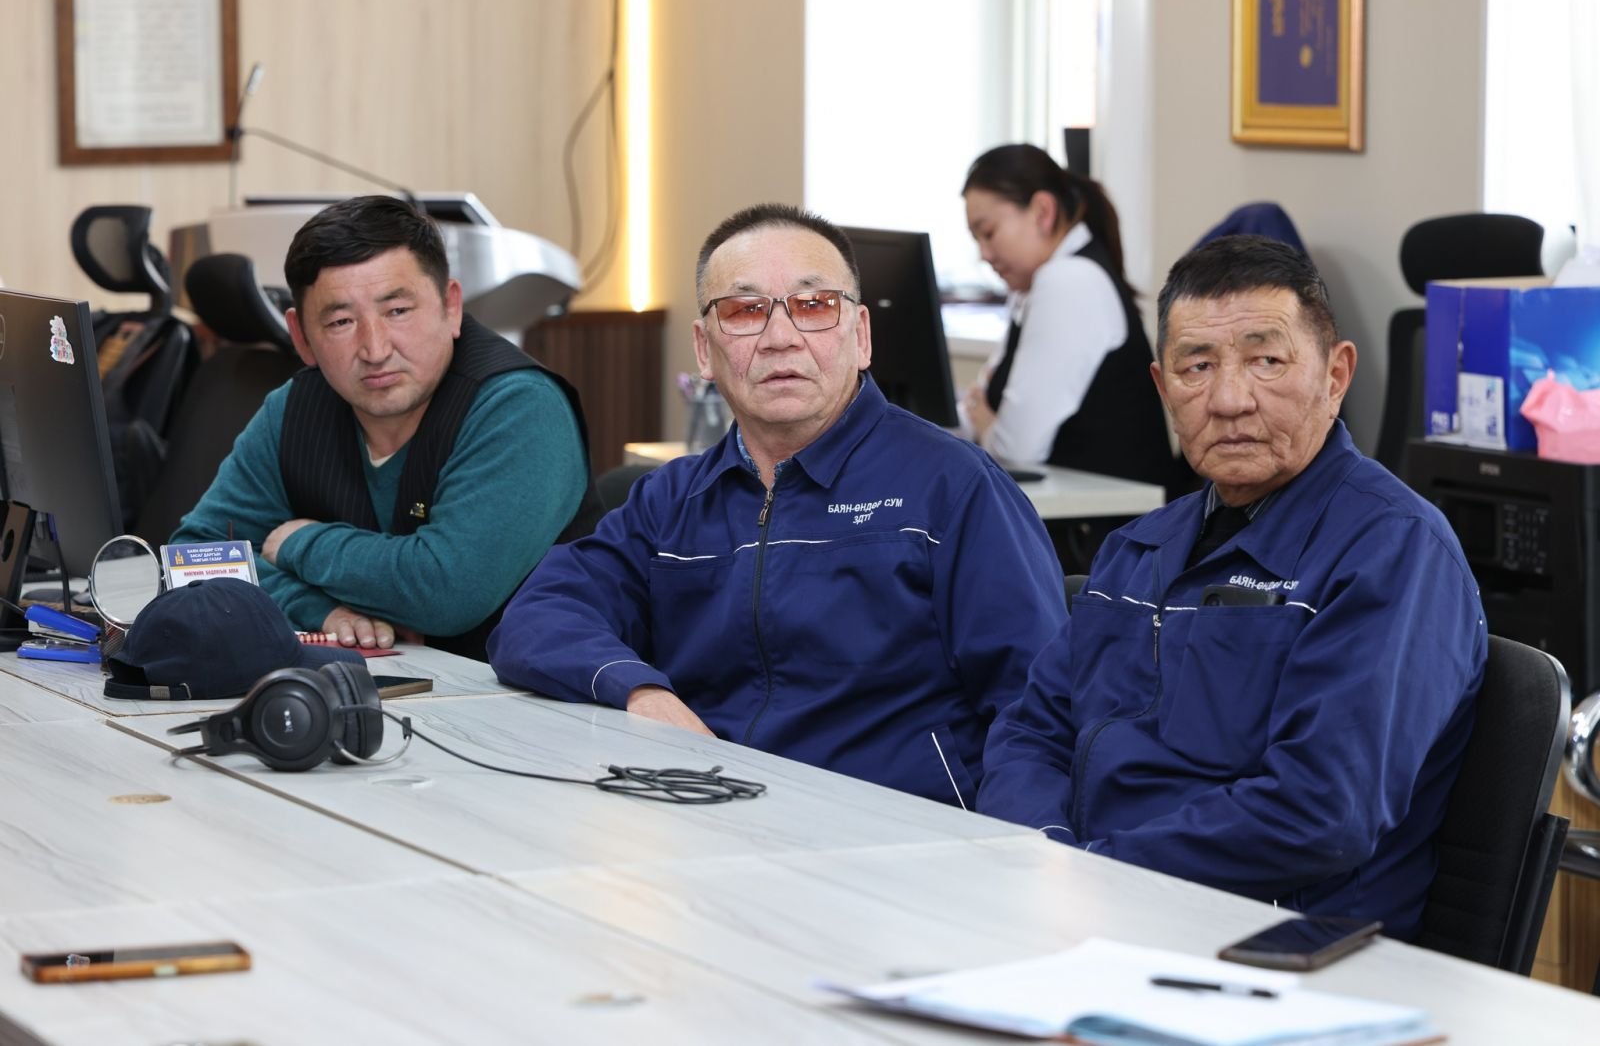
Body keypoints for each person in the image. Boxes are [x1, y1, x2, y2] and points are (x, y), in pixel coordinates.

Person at [977, 235, 1486, 939]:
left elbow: (1320, 810)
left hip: (1267, 944)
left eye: (1266, 361)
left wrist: (1097, 873)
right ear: (1164, 388)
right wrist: (1043, 853)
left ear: (1335, 376)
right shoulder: (1138, 547)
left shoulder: (1393, 549)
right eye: (1197, 366)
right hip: (1090, 909)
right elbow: (1030, 732)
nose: (1228, 399)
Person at [488, 203, 1065, 807]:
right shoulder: (673, 500)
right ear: (704, 350)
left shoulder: (954, 487)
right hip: (708, 811)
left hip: (895, 833)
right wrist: (639, 693)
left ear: (861, 336)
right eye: (745, 311)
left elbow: (1038, 711)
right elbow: (537, 616)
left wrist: (1014, 850)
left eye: (814, 306)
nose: (781, 338)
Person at [171, 195, 593, 659]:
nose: (374, 349)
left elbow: (444, 592)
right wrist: (315, 607)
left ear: (451, 307)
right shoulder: (293, 408)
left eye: (397, 311)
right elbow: (195, 557)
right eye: (341, 321)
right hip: (378, 684)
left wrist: (299, 543)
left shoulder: (518, 406)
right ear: (302, 338)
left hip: (529, 688)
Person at [959, 143, 1179, 491]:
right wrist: (986, 423)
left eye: (988, 233)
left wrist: (988, 425)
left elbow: (1016, 450)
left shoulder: (1069, 281)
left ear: (1042, 212)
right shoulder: (1036, 287)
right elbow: (978, 403)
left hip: (1110, 519)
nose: (983, 254)